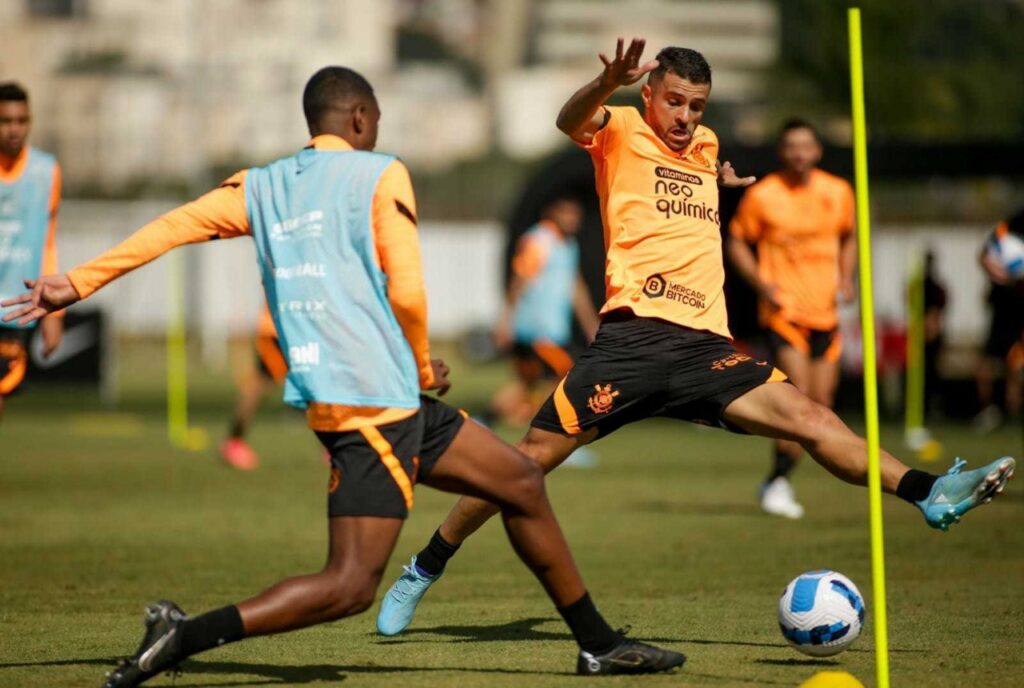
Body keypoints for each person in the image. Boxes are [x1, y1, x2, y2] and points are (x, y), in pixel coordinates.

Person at [2, 66, 685, 685]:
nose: (377, 130)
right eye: (377, 119)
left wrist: (79, 282)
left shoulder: (258, 186)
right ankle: (182, 635)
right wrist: (418, 358)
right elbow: (410, 288)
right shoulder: (379, 172)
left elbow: (172, 227)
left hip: (375, 394)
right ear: (359, 118)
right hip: (375, 402)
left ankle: (598, 644)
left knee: (521, 480)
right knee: (350, 585)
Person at [375, 38, 1016, 638]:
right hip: (631, 343)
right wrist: (602, 84)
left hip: (706, 348)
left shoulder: (705, 147)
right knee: (522, 466)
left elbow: (688, 190)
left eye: (696, 106)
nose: (685, 116)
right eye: (675, 101)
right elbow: (570, 121)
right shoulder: (619, 126)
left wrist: (720, 185)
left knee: (814, 419)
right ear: (649, 93)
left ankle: (929, 492)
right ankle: (425, 566)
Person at [727, 118, 856, 519]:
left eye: (806, 145)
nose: (799, 153)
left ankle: (777, 478)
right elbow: (735, 239)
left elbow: (849, 235)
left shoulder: (838, 192)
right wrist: (761, 284)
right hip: (785, 313)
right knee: (800, 400)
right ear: (782, 152)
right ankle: (779, 481)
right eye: (791, 146)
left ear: (817, 151)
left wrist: (847, 277)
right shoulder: (764, 195)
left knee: (823, 402)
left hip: (826, 312)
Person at [488, 196, 599, 426]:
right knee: (566, 374)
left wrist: (591, 325)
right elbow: (520, 280)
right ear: (552, 213)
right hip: (536, 327)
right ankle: (542, 424)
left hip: (553, 328)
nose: (572, 219)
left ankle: (490, 417)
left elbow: (576, 287)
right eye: (566, 212)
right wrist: (505, 320)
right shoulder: (539, 240)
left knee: (527, 383)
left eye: (575, 214)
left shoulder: (568, 244)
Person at [0, 82, 63, 419]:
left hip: (16, 307)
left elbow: (47, 241)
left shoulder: (45, 171)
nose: (14, 129)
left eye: (21, 121)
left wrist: (55, 311)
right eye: (6, 121)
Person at [974, 208, 1024, 432]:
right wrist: (1001, 275)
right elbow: (983, 256)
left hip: (1019, 308)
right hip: (1002, 307)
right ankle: (990, 409)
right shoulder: (1008, 228)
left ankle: (1013, 412)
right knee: (986, 361)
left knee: (1014, 363)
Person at [220, 303, 287, 470]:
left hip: (292, 326)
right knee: (260, 385)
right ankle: (234, 442)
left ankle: (234, 442)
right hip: (276, 328)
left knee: (310, 382)